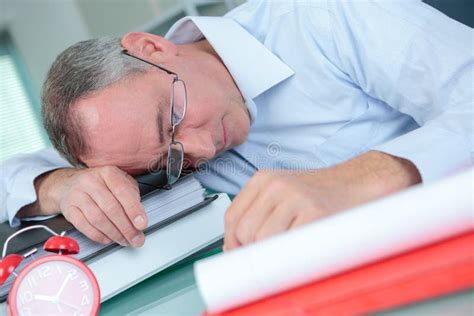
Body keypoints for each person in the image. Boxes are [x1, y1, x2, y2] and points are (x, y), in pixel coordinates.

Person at [1, 0, 472, 251]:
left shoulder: (324, 17)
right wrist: (59, 186)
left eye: (173, 118)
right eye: (172, 158)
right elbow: (10, 176)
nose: (202, 147)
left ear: (151, 48)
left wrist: (362, 177)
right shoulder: (138, 145)